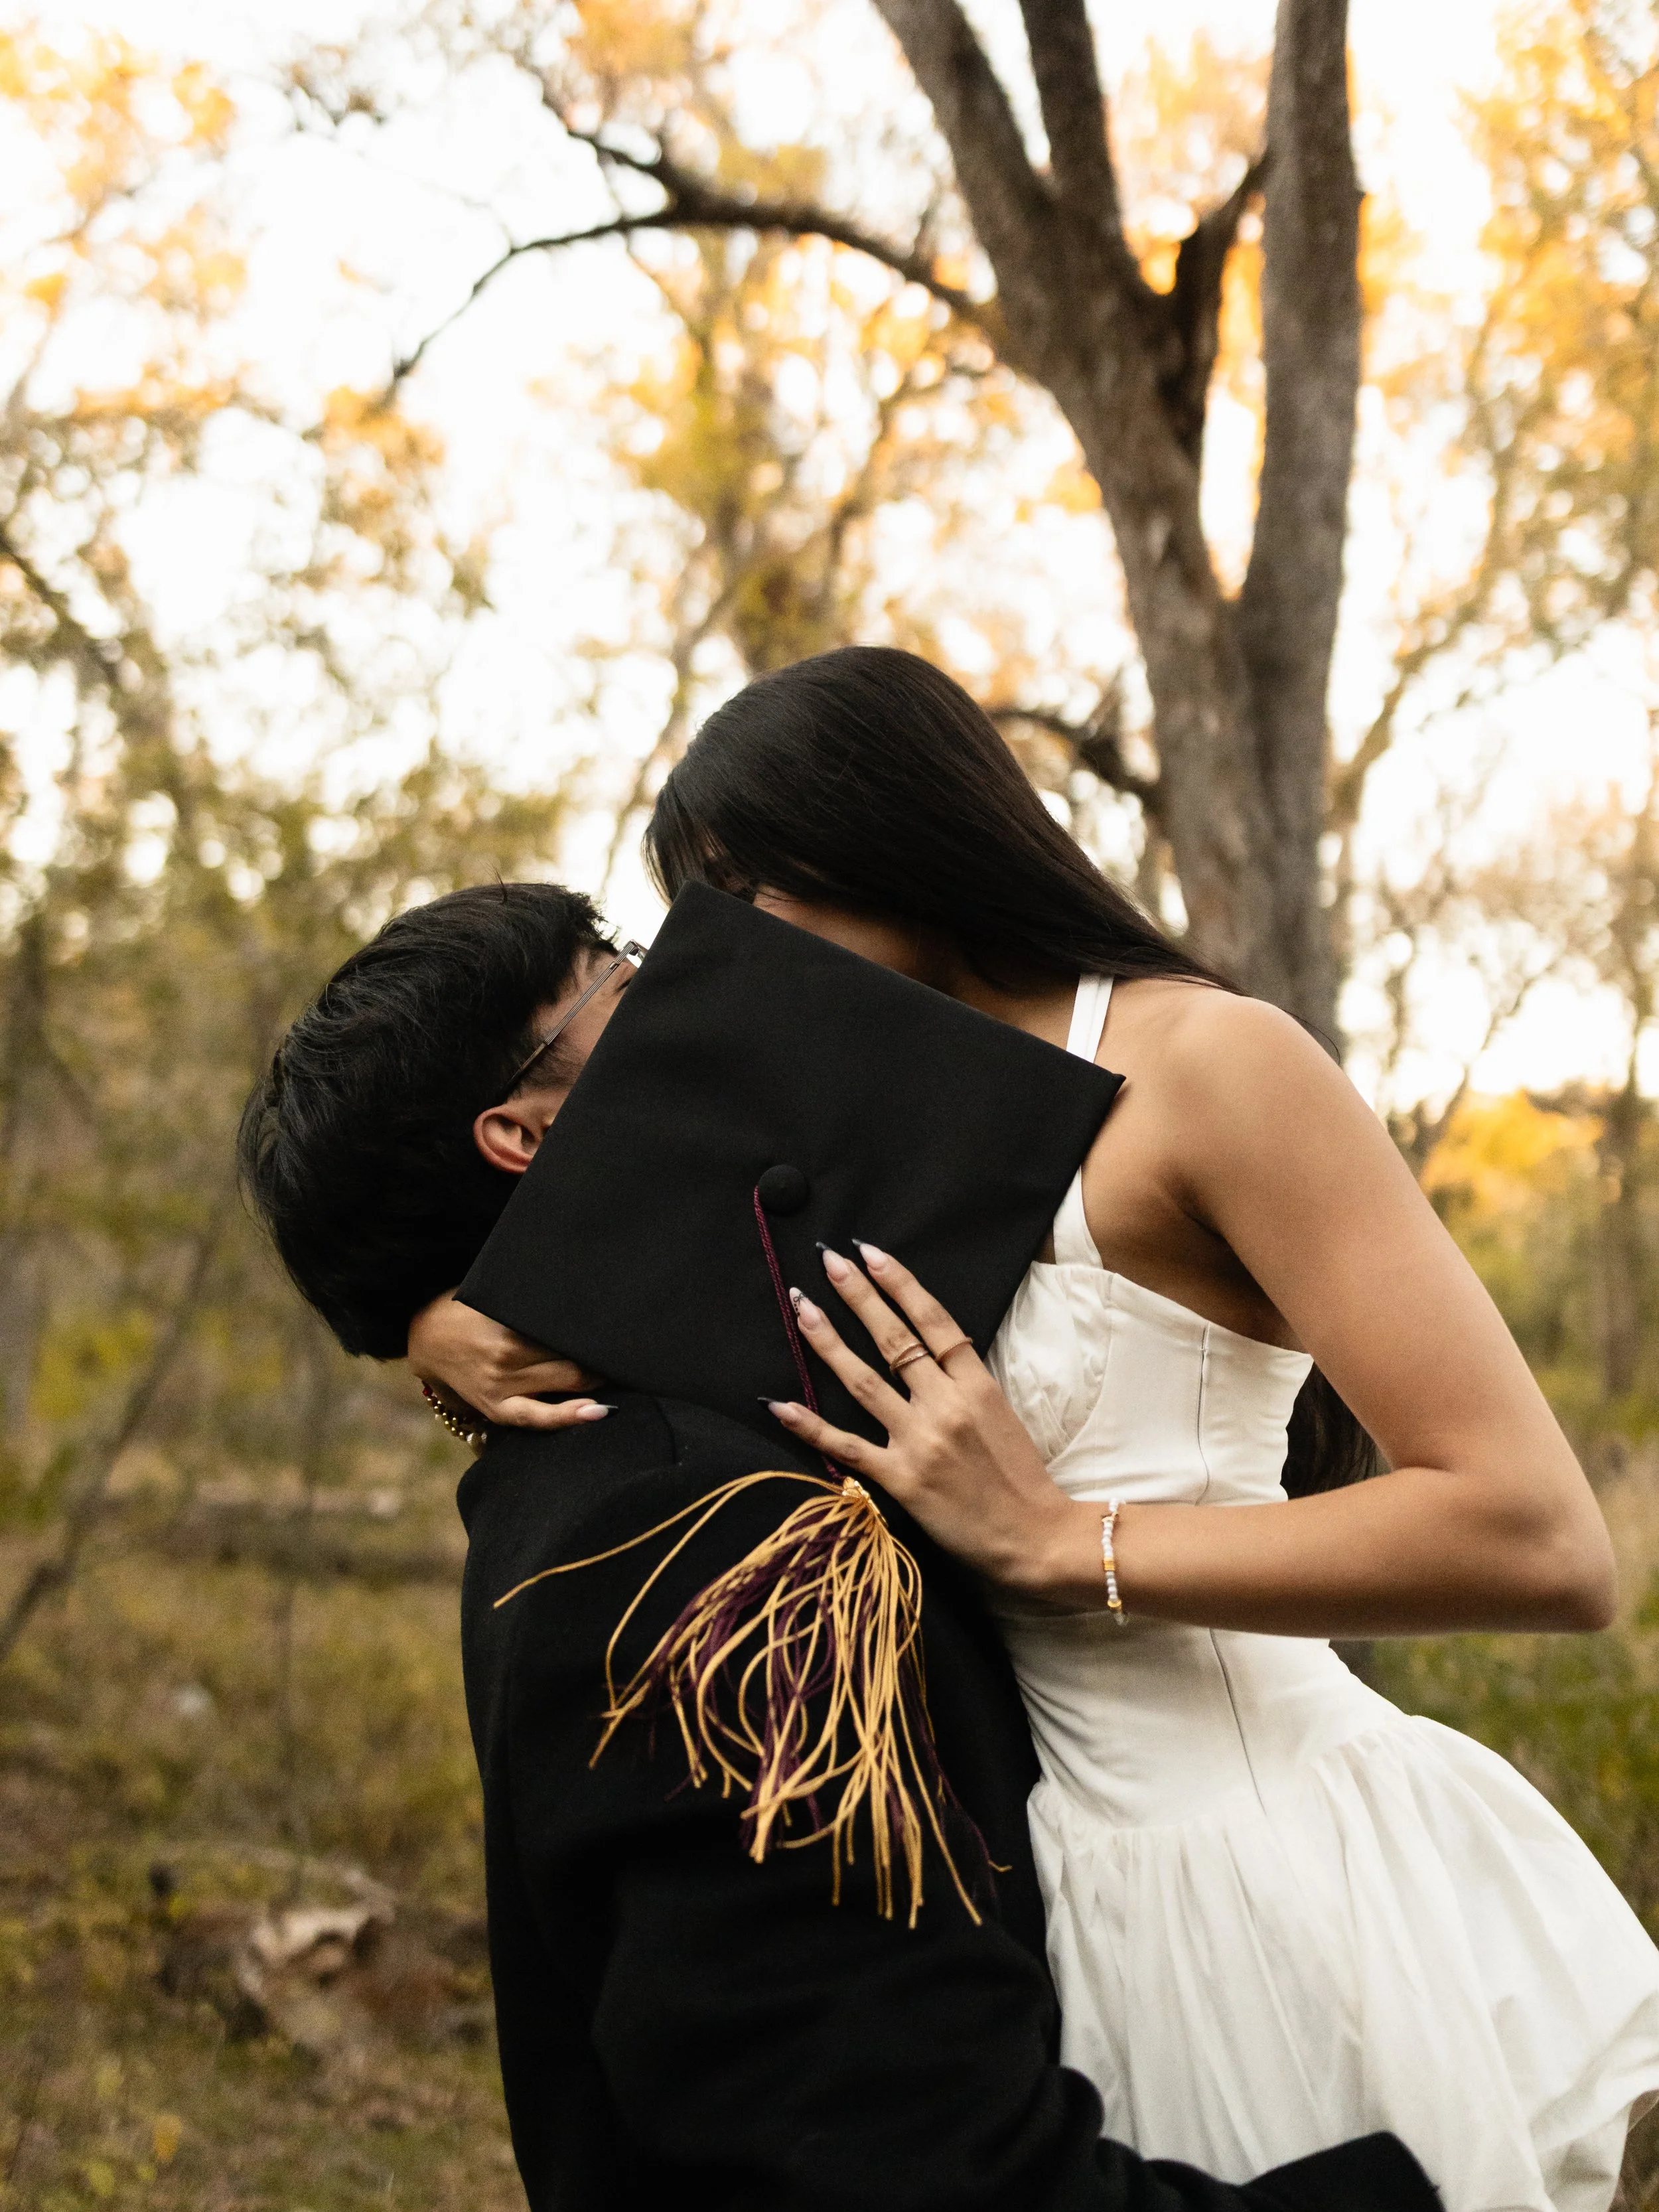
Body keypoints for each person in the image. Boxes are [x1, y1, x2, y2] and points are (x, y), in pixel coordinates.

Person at [412, 648, 1659, 2212]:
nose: (727, 965)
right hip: (1020, 1890)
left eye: (746, 896)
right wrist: (428, 1320)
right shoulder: (842, 1125)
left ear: (881, 834)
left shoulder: (1209, 1067)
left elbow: (1539, 1535)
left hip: (1250, 1867)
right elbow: (609, 1294)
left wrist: (1070, 1546)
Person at [239, 881, 1437, 2212]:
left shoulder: (620, 1472)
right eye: (624, 976)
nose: (702, 989)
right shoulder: (700, 1539)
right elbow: (915, 2166)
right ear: (525, 1130)